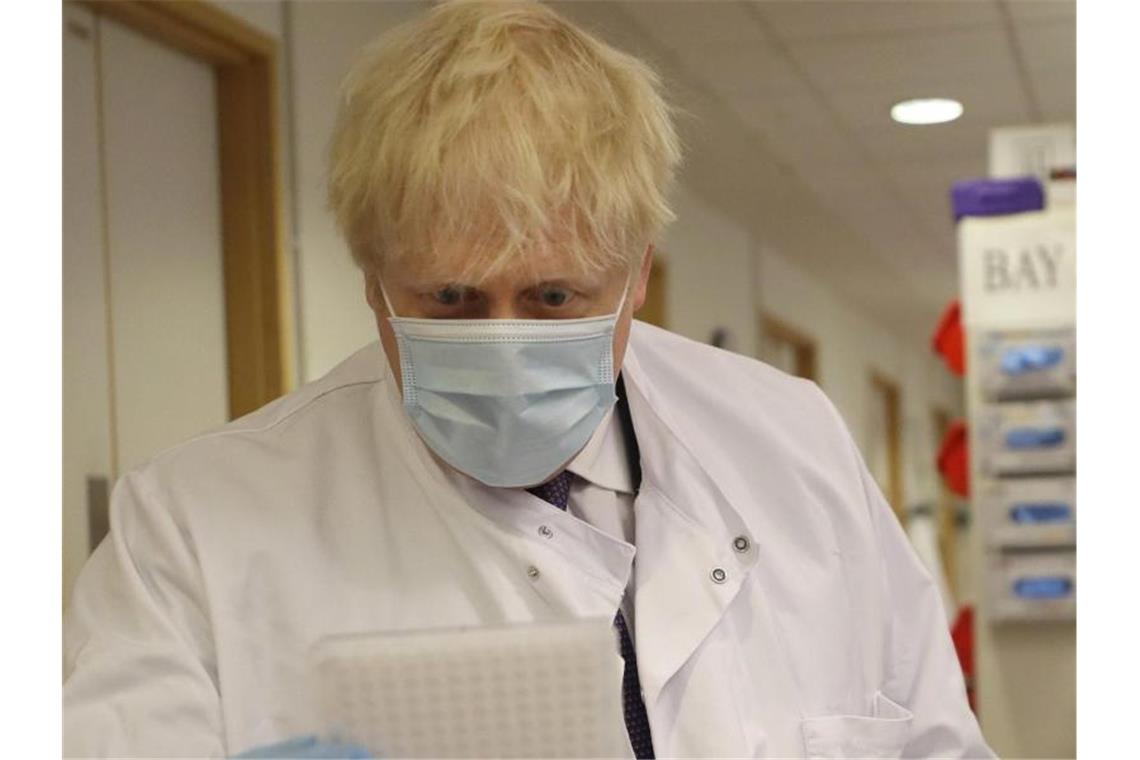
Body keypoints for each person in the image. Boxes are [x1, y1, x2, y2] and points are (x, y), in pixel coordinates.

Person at [63, 1, 993, 757]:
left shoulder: (792, 439)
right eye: (451, 298)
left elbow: (934, 740)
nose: (503, 343)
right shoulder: (190, 529)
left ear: (637, 275)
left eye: (554, 296)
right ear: (371, 280)